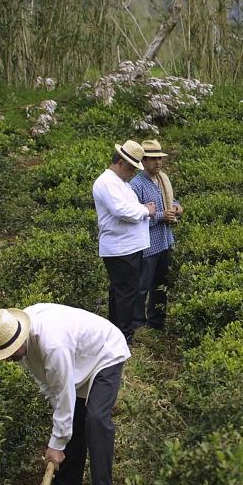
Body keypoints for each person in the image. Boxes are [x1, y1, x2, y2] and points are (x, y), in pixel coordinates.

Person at [0, 303, 130, 485]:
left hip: (104, 353)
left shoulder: (53, 344)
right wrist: (60, 431)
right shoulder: (17, 338)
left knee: (95, 420)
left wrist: (56, 444)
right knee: (74, 418)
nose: (9, 358)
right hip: (76, 358)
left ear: (20, 340)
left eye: (10, 353)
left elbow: (64, 392)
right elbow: (49, 387)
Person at [92, 139, 154, 344]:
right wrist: (146, 210)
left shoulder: (120, 183)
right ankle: (123, 334)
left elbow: (128, 208)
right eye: (130, 168)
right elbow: (122, 211)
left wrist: (142, 210)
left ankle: (117, 331)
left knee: (121, 290)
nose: (132, 173)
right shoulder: (107, 182)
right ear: (120, 162)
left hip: (127, 246)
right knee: (126, 292)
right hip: (121, 248)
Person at [129, 139, 182, 330]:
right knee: (142, 286)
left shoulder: (162, 180)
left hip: (165, 241)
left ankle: (156, 320)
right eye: (153, 159)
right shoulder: (136, 185)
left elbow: (170, 200)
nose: (158, 162)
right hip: (148, 245)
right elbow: (135, 217)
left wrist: (176, 207)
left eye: (160, 158)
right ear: (143, 161)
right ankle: (137, 323)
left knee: (161, 284)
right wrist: (161, 216)